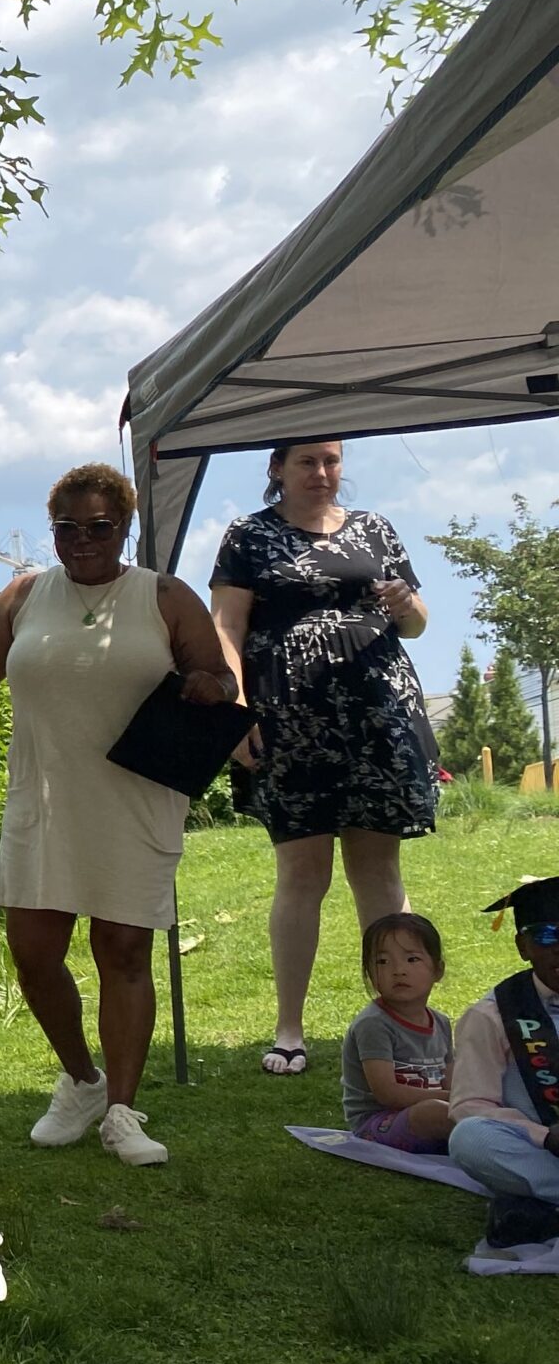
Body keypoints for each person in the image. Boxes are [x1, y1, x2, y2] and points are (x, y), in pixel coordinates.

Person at [0, 464, 234, 1168]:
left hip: (135, 795)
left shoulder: (163, 596)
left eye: (99, 527)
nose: (82, 542)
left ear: (125, 527)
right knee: (34, 955)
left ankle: (124, 1114)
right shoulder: (23, 595)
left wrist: (205, 682)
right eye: (67, 529)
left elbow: (221, 676)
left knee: (124, 953)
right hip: (45, 797)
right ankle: (81, 1081)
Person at [209, 440, 435, 1075]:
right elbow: (225, 627)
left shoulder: (375, 529)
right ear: (277, 469)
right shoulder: (249, 536)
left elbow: (417, 623)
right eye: (307, 461)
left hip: (377, 718)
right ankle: (289, 1029)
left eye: (332, 460)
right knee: (302, 873)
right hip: (289, 722)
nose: (323, 473)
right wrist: (234, 712)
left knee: (380, 872)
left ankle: (403, 1022)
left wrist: (406, 604)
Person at [445, 878, 559, 1259]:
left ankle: (538, 1212)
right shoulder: (494, 1014)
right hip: (543, 1147)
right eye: (546, 936)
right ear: (522, 947)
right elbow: (471, 1105)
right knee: (470, 1138)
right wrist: (544, 1136)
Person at [338, 912, 454, 1153]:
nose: (398, 970)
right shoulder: (373, 1024)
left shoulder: (441, 1022)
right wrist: (455, 1099)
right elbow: (387, 1094)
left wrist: (464, 1097)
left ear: (438, 970)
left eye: (412, 959)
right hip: (378, 1124)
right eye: (382, 962)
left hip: (435, 1110)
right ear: (369, 974)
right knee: (435, 1113)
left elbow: (452, 1081)